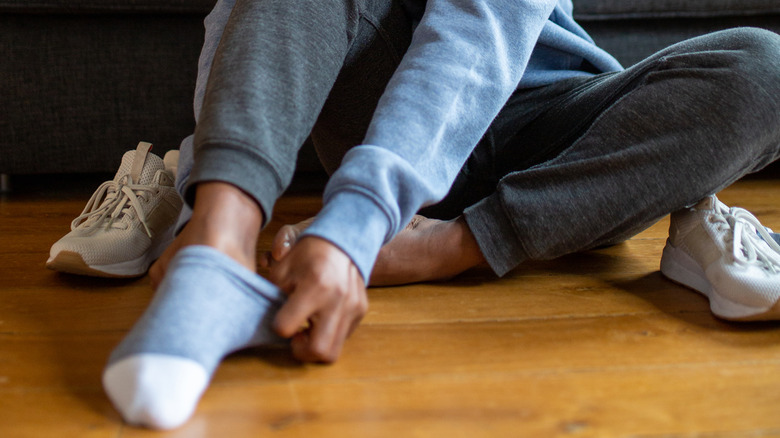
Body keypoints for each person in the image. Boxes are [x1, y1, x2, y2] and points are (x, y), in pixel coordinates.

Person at [100, 0, 780, 430]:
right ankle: (216, 252)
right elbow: (243, 27)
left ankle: (452, 245)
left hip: (547, 121)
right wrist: (208, 189)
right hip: (375, 104)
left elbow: (476, 31)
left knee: (766, 66)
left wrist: (359, 227)